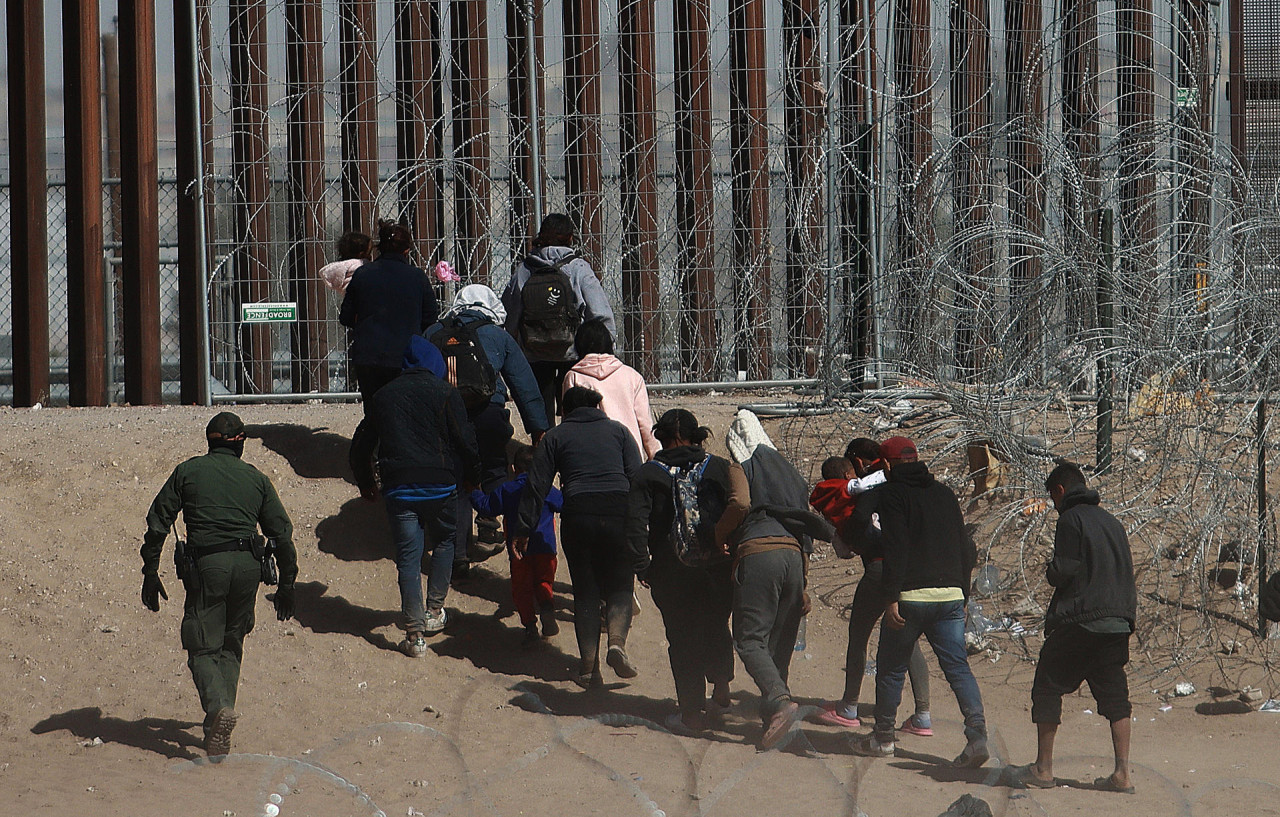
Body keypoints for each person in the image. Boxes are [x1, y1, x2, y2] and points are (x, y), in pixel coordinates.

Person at [140, 411, 298, 758]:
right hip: (248, 568)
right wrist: (286, 585)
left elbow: (157, 524)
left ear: (209, 440)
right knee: (231, 643)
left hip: (207, 566)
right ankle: (216, 725)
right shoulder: (256, 479)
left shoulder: (188, 471)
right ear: (240, 443)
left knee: (200, 646)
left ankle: (217, 710)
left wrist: (150, 571)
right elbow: (282, 536)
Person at [849, 436, 988, 768]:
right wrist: (963, 595)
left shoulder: (891, 494)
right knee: (958, 668)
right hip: (952, 596)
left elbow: (894, 547)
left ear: (885, 465)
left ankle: (883, 738)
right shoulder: (943, 494)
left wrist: (890, 596)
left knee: (892, 665)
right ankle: (978, 736)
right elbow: (966, 549)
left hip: (910, 596)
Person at [1007, 463, 1136, 793]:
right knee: (1115, 697)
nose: (1052, 504)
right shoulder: (1113, 523)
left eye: (1052, 497)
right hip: (1118, 622)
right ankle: (1122, 773)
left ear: (1060, 491)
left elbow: (1065, 568)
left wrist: (1050, 572)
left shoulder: (1070, 519)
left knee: (1047, 686)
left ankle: (1043, 769)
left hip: (1081, 619)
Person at [354, 335, 482, 656]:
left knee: (408, 559)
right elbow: (466, 441)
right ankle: (435, 610)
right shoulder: (445, 393)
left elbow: (362, 443)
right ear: (436, 364)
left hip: (399, 487)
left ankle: (414, 635)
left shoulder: (384, 397)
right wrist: (473, 478)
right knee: (444, 542)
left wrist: (366, 481)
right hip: (440, 484)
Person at [626, 409, 750, 734]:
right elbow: (738, 511)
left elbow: (635, 524)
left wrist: (643, 566)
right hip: (717, 568)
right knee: (715, 622)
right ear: (698, 437)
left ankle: (692, 715)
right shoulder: (720, 468)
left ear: (661, 437)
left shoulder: (648, 474)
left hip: (671, 571)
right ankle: (721, 683)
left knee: (682, 639)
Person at [513, 386, 642, 688]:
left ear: (565, 411)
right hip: (617, 512)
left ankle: (588, 669)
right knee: (621, 584)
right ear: (599, 404)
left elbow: (537, 485)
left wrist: (523, 528)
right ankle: (617, 643)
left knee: (586, 591)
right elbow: (638, 478)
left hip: (578, 514)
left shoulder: (555, 437)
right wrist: (641, 525)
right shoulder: (619, 432)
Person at [423, 284, 552, 579]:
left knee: (455, 479)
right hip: (489, 415)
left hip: (447, 415)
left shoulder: (433, 333)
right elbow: (524, 385)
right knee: (494, 468)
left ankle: (457, 554)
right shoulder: (498, 335)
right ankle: (491, 530)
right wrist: (538, 428)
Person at [725, 411, 833, 748]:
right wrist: (804, 581)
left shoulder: (742, 467)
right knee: (779, 642)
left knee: (749, 639)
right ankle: (773, 714)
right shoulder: (791, 473)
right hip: (793, 558)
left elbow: (740, 502)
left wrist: (720, 535)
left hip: (759, 553)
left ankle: (779, 702)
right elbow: (804, 524)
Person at [807, 441, 931, 734]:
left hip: (879, 570)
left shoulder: (854, 490)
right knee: (908, 638)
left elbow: (845, 546)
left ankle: (849, 707)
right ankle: (923, 715)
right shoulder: (908, 490)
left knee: (859, 635)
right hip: (911, 571)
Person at [341, 221, 440, 497]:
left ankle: (363, 468)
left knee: (375, 414)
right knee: (404, 415)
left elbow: (345, 317)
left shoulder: (363, 275)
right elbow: (430, 319)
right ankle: (395, 472)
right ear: (408, 249)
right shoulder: (417, 278)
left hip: (369, 358)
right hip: (405, 359)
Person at [502, 213, 616, 427]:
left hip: (534, 352)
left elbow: (511, 314)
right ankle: (570, 447)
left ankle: (544, 447)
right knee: (573, 412)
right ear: (570, 238)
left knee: (541, 415)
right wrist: (607, 347)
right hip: (571, 354)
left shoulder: (524, 269)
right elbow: (600, 312)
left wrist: (516, 349)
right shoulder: (578, 267)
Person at [470, 444, 563, 645]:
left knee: (521, 588)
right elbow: (563, 504)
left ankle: (530, 627)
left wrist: (474, 492)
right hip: (546, 548)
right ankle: (547, 607)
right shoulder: (546, 488)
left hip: (519, 550)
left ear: (514, 468)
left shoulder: (507, 489)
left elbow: (486, 506)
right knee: (544, 582)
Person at [561, 319, 659, 458]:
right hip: (629, 456)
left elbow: (568, 423)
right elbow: (645, 426)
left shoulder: (574, 377)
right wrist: (656, 460)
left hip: (589, 457)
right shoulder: (632, 376)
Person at [319, 230, 373, 295]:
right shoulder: (360, 266)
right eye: (369, 252)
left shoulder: (343, 268)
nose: (370, 256)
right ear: (361, 254)